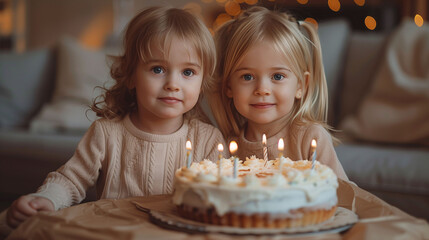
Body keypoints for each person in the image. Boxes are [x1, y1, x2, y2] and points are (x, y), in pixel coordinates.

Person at [6, 6, 225, 228]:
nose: (172, 85)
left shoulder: (207, 140)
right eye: (157, 69)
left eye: (188, 72)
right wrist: (47, 199)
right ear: (130, 75)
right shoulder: (107, 133)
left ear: (201, 83)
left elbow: (222, 198)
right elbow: (70, 180)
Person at [208, 6, 348, 180]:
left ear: (301, 85)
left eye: (277, 76)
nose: (262, 89)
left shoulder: (310, 138)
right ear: (229, 86)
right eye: (247, 76)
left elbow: (342, 193)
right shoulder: (228, 147)